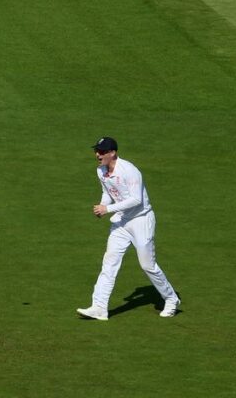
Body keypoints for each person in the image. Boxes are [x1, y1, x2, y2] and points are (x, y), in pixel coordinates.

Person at [77, 137, 181, 321]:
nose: (97, 155)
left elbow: (136, 200)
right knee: (109, 262)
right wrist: (102, 205)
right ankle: (99, 307)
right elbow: (108, 192)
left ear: (112, 153)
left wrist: (107, 209)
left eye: (101, 152)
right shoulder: (101, 171)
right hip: (122, 221)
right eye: (97, 151)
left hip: (141, 220)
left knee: (147, 265)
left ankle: (171, 299)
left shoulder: (130, 171)